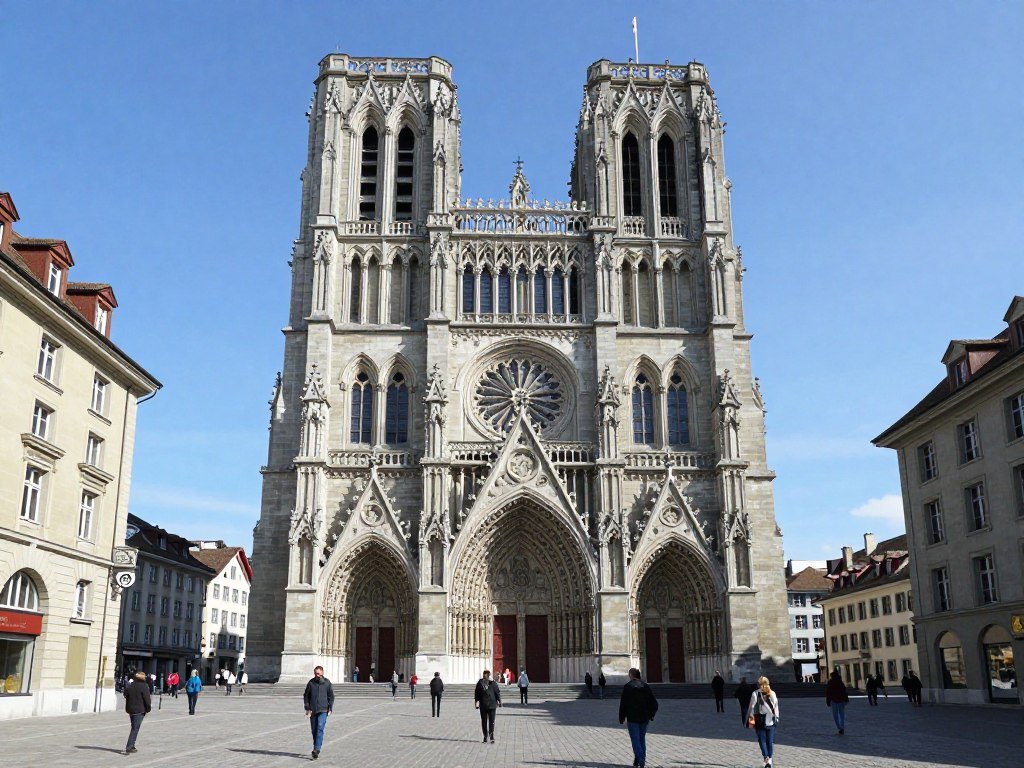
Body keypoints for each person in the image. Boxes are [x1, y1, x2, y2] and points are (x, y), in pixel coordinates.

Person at [619, 667, 658, 768]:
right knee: (641, 739)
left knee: (635, 739)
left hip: (632, 718)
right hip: (644, 718)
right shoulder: (645, 686)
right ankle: (639, 760)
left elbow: (623, 703)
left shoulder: (628, 687)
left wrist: (622, 716)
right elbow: (654, 703)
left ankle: (640, 759)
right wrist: (651, 714)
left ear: (631, 675)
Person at [746, 676, 780, 767]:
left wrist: (750, 721)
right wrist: (776, 718)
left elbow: (752, 708)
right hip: (771, 721)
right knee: (770, 741)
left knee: (762, 741)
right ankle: (770, 759)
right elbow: (776, 707)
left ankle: (766, 758)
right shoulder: (772, 693)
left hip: (760, 721)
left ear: (759, 684)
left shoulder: (755, 693)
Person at [303, 665, 334, 761]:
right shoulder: (311, 683)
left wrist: (330, 708)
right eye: (316, 674)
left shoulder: (327, 683)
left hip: (323, 710)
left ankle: (316, 749)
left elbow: (331, 696)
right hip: (313, 710)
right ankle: (316, 746)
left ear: (322, 673)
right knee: (314, 730)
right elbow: (306, 696)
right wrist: (307, 707)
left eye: (319, 674)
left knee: (320, 727)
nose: (318, 675)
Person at [122, 671, 152, 755]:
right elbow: (147, 700)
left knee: (134, 727)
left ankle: (132, 745)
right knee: (135, 728)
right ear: (143, 678)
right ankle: (129, 747)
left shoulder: (130, 686)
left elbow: (125, 694)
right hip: (139, 710)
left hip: (130, 710)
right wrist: (148, 709)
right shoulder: (144, 686)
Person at [474, 669, 502, 743]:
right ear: (489, 675)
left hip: (483, 705)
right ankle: (491, 737)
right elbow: (497, 693)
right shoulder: (493, 683)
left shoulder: (480, 683)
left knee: (484, 721)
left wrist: (477, 702)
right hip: (492, 705)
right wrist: (499, 701)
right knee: (491, 721)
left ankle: (485, 737)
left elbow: (477, 694)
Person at [825, 669, 849, 735]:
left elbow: (828, 692)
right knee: (842, 715)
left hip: (834, 700)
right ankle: (842, 727)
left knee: (835, 715)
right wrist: (846, 699)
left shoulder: (831, 682)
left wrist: (828, 701)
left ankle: (839, 728)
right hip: (841, 700)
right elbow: (845, 691)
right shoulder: (840, 682)